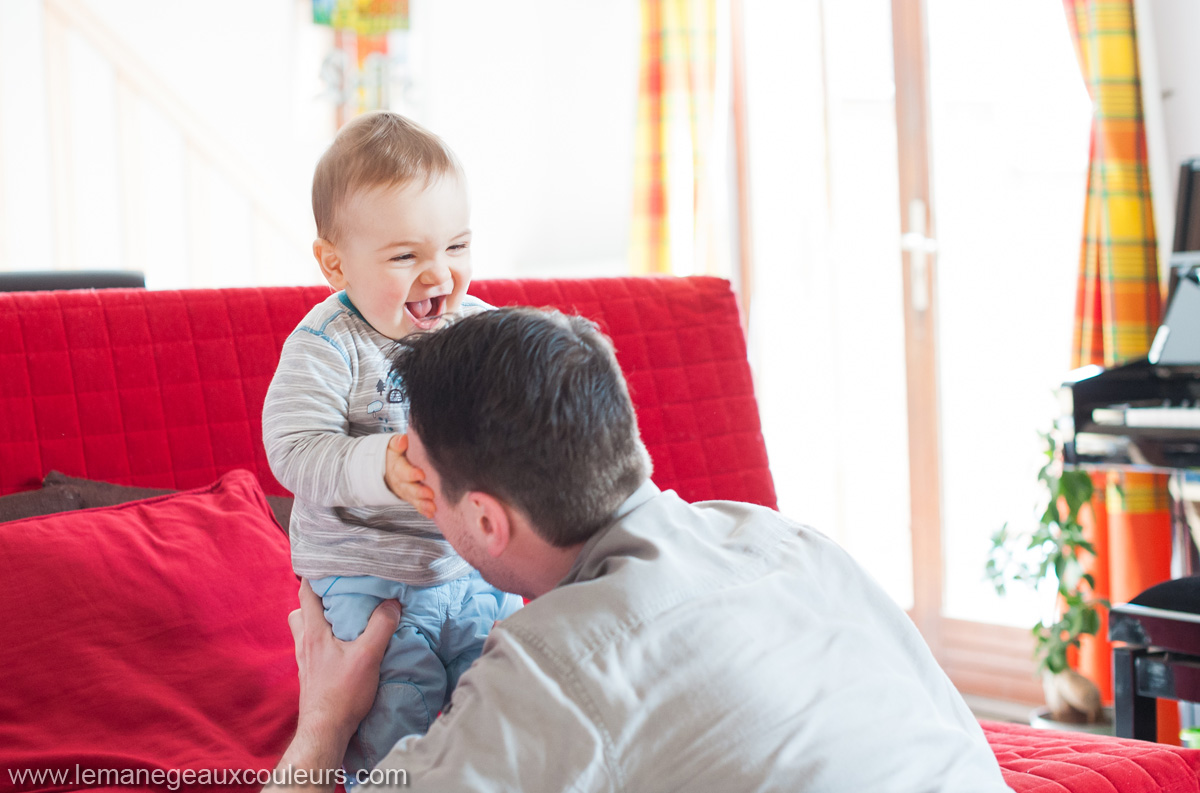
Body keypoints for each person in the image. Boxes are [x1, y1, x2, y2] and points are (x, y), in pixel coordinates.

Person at [271, 308, 1011, 792]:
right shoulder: (785, 541)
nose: (412, 493)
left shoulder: (549, 668)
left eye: (421, 480)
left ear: (486, 521)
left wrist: (324, 723)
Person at [261, 111, 521, 778]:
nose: (439, 275)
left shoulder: (480, 329)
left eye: (456, 247)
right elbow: (293, 448)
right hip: (367, 584)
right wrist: (378, 464)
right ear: (334, 263)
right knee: (392, 735)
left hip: (473, 574)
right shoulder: (328, 342)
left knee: (510, 711)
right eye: (406, 256)